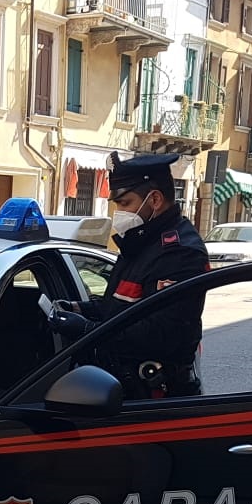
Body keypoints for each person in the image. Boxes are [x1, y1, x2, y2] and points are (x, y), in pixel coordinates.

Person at [45, 152, 211, 398]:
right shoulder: (141, 242)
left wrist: (87, 330)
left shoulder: (181, 253)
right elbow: (120, 307)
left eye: (124, 203)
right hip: (121, 384)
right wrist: (78, 308)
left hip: (154, 397)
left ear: (155, 199)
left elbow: (163, 335)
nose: (118, 212)